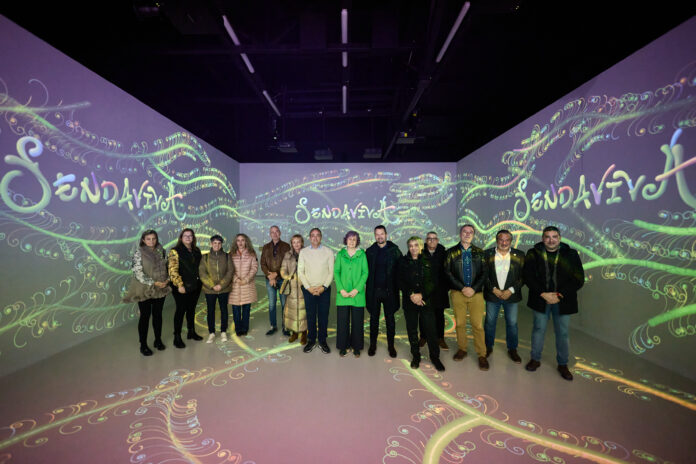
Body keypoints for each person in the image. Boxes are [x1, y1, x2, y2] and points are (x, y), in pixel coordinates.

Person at [524, 226, 585, 381]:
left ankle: (563, 364)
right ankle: (535, 359)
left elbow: (578, 278)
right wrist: (543, 293)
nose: (551, 240)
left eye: (554, 237)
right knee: (538, 329)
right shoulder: (533, 253)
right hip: (540, 299)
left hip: (563, 300)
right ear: (542, 238)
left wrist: (559, 294)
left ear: (560, 238)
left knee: (562, 333)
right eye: (547, 237)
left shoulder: (571, 254)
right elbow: (528, 276)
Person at [443, 224, 488, 370]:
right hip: (458, 293)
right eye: (465, 231)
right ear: (460, 234)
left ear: (474, 235)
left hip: (476, 294)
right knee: (460, 323)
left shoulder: (480, 253)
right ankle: (462, 349)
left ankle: (482, 354)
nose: (467, 234)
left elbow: (484, 273)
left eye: (471, 232)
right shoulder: (451, 252)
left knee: (478, 325)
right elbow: (447, 273)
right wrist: (462, 288)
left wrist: (473, 289)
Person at [397, 236, 445, 371]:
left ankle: (435, 357)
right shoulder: (403, 262)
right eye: (411, 246)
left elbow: (434, 281)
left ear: (421, 246)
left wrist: (421, 295)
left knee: (431, 330)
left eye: (416, 245)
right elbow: (400, 281)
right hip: (410, 301)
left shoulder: (430, 260)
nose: (413, 248)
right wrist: (412, 294)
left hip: (426, 301)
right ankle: (416, 356)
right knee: (412, 331)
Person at [123, 229, 171, 356]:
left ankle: (158, 340)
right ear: (143, 240)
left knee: (158, 315)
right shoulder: (138, 253)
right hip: (145, 289)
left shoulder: (162, 251)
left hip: (160, 289)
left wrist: (167, 280)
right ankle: (143, 345)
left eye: (154, 238)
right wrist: (154, 283)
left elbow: (167, 267)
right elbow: (137, 273)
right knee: (145, 317)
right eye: (148, 239)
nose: (151, 241)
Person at [483, 230, 525, 364]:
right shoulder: (487, 254)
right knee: (490, 323)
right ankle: (488, 347)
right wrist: (493, 289)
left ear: (511, 241)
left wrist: (511, 290)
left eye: (507, 240)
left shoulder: (520, 255)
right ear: (497, 240)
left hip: (511, 296)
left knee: (512, 323)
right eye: (501, 240)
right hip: (492, 295)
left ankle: (512, 349)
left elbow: (524, 276)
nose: (504, 242)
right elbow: (483, 275)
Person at [365, 225, 403, 358]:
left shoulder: (395, 250)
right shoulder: (370, 251)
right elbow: (364, 271)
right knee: (373, 320)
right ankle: (372, 345)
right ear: (374, 236)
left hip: (390, 291)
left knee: (390, 320)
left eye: (382, 234)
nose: (379, 236)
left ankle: (391, 346)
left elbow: (401, 270)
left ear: (386, 235)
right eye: (377, 234)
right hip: (374, 291)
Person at [298, 228, 334, 354]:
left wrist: (324, 287)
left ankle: (322, 341)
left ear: (321, 237)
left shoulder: (328, 252)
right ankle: (311, 340)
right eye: (312, 235)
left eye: (317, 235)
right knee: (311, 316)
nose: (315, 238)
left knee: (323, 316)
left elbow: (331, 272)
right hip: (309, 290)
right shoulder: (303, 252)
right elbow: (300, 272)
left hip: (324, 290)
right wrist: (308, 288)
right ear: (309, 238)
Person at [334, 231, 368, 357]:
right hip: (342, 294)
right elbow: (336, 272)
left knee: (357, 322)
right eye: (350, 239)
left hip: (357, 294)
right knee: (342, 322)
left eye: (354, 239)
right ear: (346, 240)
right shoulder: (340, 254)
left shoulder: (362, 254)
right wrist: (341, 289)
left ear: (357, 241)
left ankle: (356, 347)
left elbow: (365, 272)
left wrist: (357, 289)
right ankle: (343, 346)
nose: (352, 241)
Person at [169, 228, 203, 348]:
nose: (188, 238)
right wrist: (179, 285)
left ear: (193, 238)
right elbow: (172, 270)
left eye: (190, 236)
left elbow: (200, 268)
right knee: (180, 310)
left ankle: (191, 332)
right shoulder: (175, 251)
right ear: (181, 238)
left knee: (191, 309)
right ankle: (177, 337)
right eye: (185, 236)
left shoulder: (196, 250)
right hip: (181, 286)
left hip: (195, 285)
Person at [199, 235, 234, 343]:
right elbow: (202, 273)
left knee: (224, 310)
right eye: (215, 243)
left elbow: (230, 272)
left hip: (224, 289)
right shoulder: (205, 257)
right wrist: (212, 285)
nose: (217, 245)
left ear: (221, 244)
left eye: (219, 243)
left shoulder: (227, 256)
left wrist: (221, 285)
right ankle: (212, 332)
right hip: (210, 290)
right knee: (210, 310)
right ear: (211, 244)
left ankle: (223, 331)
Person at [421, 231, 450, 350]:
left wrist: (446, 287)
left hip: (440, 291)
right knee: (423, 315)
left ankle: (440, 338)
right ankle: (423, 337)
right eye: (429, 238)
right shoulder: (420, 252)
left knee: (439, 316)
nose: (431, 240)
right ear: (426, 240)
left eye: (434, 238)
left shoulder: (444, 253)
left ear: (437, 240)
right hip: (425, 291)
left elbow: (448, 271)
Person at [260, 225, 291, 336]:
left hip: (283, 279)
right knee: (272, 304)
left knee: (284, 304)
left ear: (280, 233)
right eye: (272, 232)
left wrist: (276, 274)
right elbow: (262, 263)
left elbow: (287, 264)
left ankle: (285, 327)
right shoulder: (266, 247)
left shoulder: (286, 246)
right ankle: (273, 326)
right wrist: (270, 276)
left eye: (276, 231)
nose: (275, 234)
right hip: (270, 280)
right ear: (270, 234)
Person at [228, 233, 259, 336]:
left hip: (247, 285)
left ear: (246, 242)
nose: (240, 242)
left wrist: (245, 280)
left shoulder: (252, 254)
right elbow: (228, 269)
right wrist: (236, 279)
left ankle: (245, 328)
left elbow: (254, 268)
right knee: (236, 310)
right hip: (235, 286)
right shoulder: (231, 254)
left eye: (242, 240)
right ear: (235, 242)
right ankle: (238, 329)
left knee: (246, 309)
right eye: (238, 240)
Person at [280, 234, 308, 344]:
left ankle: (304, 333)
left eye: (298, 242)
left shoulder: (307, 253)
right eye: (294, 242)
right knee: (292, 312)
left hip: (303, 286)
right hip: (291, 287)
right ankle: (294, 333)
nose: (296, 244)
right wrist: (287, 277)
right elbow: (283, 269)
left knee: (303, 311)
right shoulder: (287, 255)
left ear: (302, 243)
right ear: (291, 243)